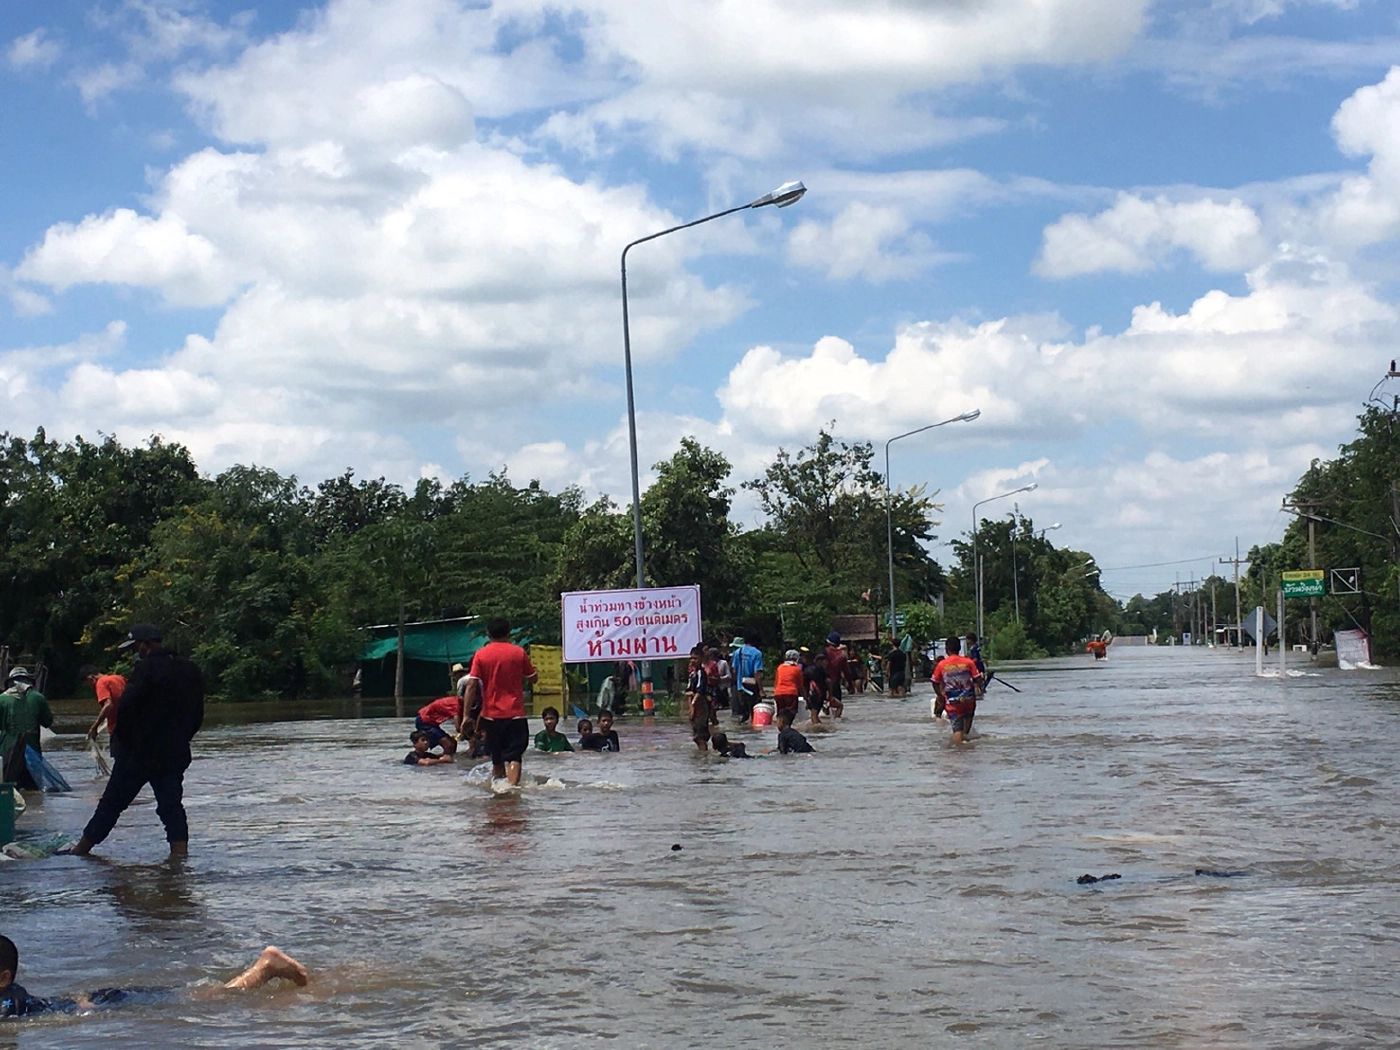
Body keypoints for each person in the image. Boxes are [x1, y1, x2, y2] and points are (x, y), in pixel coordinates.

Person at [70, 624, 204, 857]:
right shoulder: (190, 669)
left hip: (139, 754)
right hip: (174, 752)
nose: (136, 653)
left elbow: (127, 709)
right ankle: (179, 857)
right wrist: (181, 739)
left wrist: (123, 743)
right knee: (171, 806)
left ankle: (80, 851)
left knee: (111, 804)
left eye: (136, 647)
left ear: (147, 644)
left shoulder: (145, 670)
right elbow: (197, 714)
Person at [1, 935, 308, 1019]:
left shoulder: (8, 1002)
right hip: (103, 1000)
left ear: (4, 978)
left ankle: (265, 968)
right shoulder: (11, 997)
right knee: (200, 995)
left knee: (211, 997)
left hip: (111, 1003)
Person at [462, 618, 538, 787]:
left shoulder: (481, 655)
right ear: (508, 633)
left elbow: (472, 685)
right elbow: (533, 678)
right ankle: (511, 791)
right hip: (516, 715)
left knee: (496, 758)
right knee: (514, 756)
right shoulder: (518, 653)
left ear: (488, 634)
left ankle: (499, 795)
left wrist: (466, 715)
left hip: (491, 717)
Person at [0, 667, 54, 791]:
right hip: (33, 753)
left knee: (10, 790)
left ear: (10, 682)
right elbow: (47, 722)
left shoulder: (2, 699)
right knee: (34, 791)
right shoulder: (38, 698)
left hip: (8, 753)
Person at [934, 635, 983, 744]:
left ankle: (959, 752)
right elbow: (977, 679)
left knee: (957, 730)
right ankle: (967, 750)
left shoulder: (942, 665)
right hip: (969, 699)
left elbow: (934, 682)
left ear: (947, 650)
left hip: (952, 701)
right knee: (966, 730)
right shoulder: (969, 662)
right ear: (959, 649)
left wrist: (940, 695)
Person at [80, 665, 126, 742]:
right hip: (132, 726)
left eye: (89, 685)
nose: (92, 687)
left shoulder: (100, 683)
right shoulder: (119, 678)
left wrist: (95, 727)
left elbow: (108, 705)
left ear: (90, 678)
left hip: (117, 729)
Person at [731, 633, 765, 725]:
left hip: (741, 686)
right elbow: (757, 673)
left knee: (744, 714)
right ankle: (753, 734)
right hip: (752, 687)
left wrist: (737, 684)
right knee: (755, 713)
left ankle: (742, 730)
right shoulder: (757, 653)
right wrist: (761, 690)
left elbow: (734, 670)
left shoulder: (738, 652)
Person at [684, 654, 711, 752]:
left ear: (701, 659)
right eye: (691, 658)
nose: (692, 660)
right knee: (696, 734)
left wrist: (693, 705)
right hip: (693, 705)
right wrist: (690, 707)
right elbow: (688, 691)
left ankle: (704, 755)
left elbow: (700, 691)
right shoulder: (692, 674)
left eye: (695, 658)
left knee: (700, 736)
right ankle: (702, 754)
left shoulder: (701, 673)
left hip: (700, 706)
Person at [772, 650, 804, 726]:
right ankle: (788, 727)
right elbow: (800, 685)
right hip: (791, 693)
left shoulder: (780, 667)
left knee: (781, 713)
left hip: (778, 693)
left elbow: (776, 682)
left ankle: (780, 727)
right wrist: (805, 696)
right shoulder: (797, 669)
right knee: (791, 712)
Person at [804, 651, 829, 726]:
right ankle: (821, 727)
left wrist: (806, 697)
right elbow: (828, 681)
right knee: (815, 715)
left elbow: (805, 685)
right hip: (822, 693)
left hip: (814, 693)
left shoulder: (807, 670)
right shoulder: (821, 669)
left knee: (813, 716)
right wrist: (829, 694)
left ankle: (817, 731)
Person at [823, 632, 847, 713]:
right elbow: (846, 672)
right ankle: (836, 723)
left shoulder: (824, 652)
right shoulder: (842, 655)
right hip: (835, 684)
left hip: (823, 683)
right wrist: (850, 685)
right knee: (837, 707)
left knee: (824, 706)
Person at [713, 646, 733, 712]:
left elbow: (729, 675)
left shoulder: (723, 663)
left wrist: (720, 678)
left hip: (722, 686)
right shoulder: (709, 664)